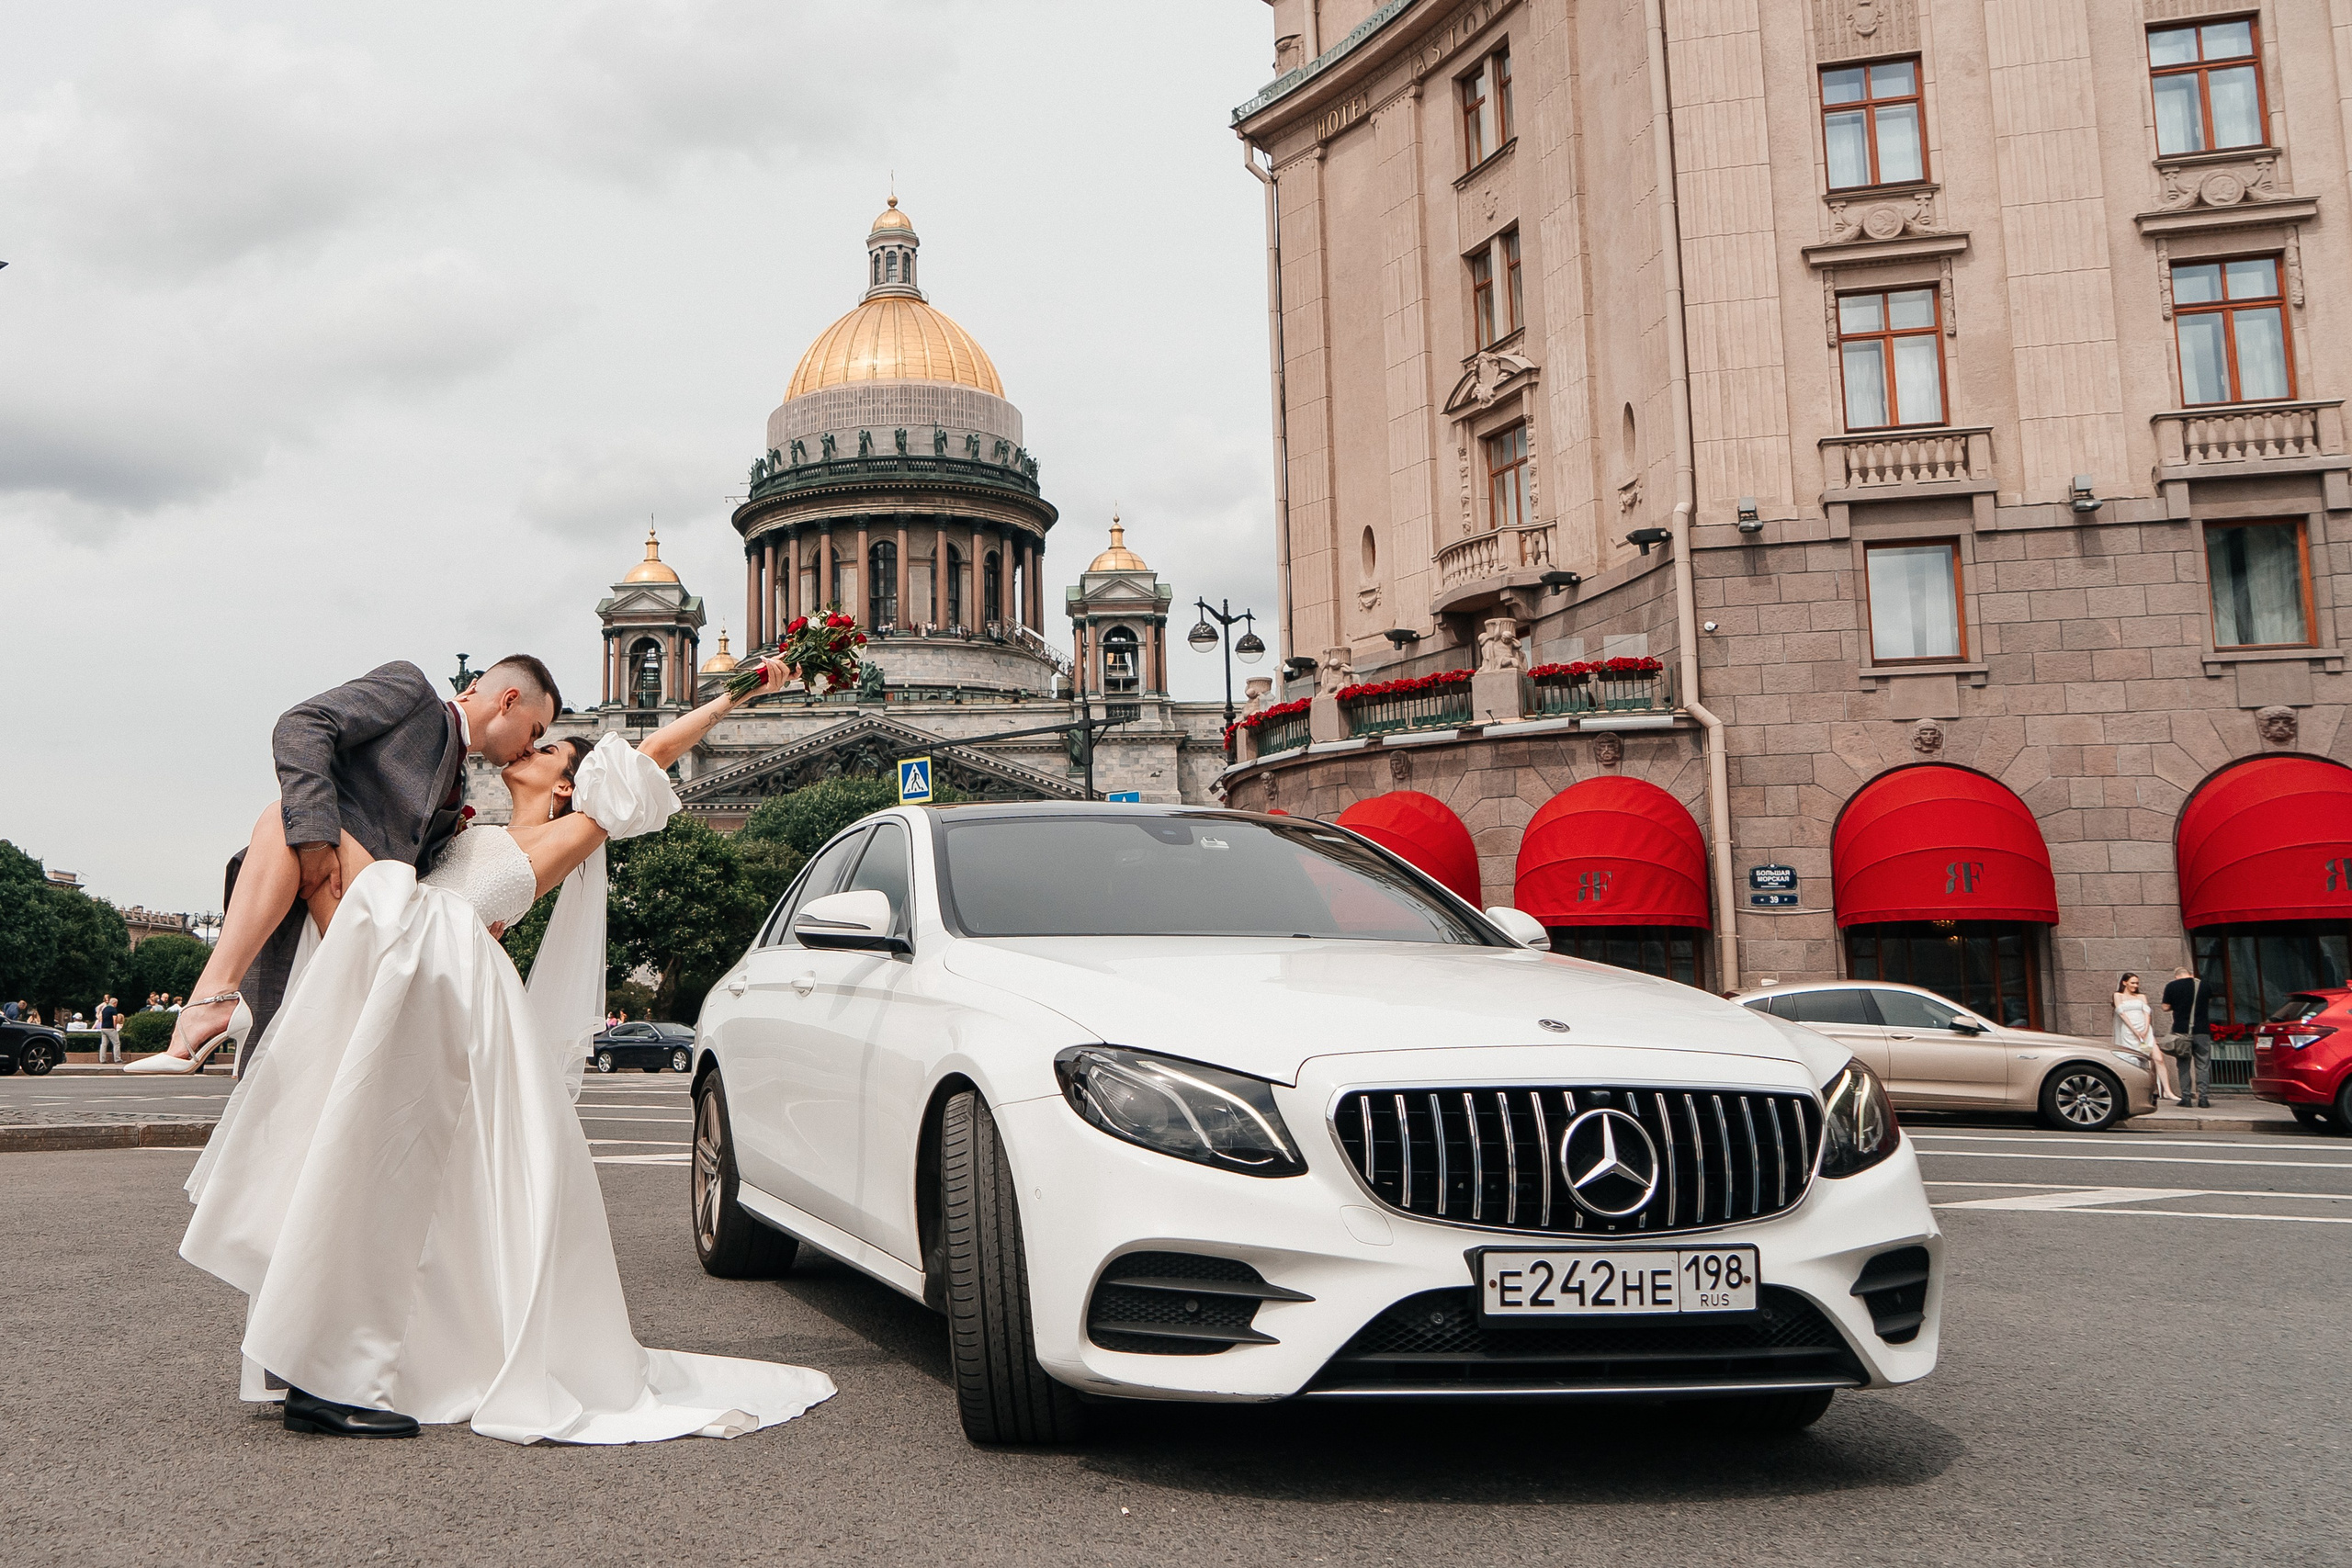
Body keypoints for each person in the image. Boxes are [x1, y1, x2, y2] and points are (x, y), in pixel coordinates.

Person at [177, 653, 833, 1446]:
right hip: (408, 964)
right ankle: (316, 1362)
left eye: (552, 748)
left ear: (571, 786)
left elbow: (650, 754)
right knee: (344, 1175)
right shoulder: (465, 826)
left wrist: (745, 690)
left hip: (434, 977)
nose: (535, 747)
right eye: (539, 732)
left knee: (370, 1181)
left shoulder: (575, 827)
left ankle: (328, 1366)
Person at [131, 657, 562, 1077]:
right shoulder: (412, 691)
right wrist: (316, 839)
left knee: (281, 816)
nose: (529, 746)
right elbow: (302, 724)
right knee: (285, 816)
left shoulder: (460, 780)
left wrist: (466, 928)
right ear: (508, 700)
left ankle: (212, 1002)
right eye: (535, 730)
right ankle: (214, 1002)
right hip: (322, 899)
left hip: (371, 910)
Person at [2160, 965, 2213, 1109]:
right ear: (2190, 974)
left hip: (2181, 1031)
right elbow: (2207, 1003)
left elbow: (2165, 1007)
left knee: (2183, 1065)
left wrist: (2177, 1006)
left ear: (2176, 976)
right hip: (2202, 1031)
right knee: (2203, 1065)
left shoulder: (2172, 986)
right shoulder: (2204, 985)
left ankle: (2186, 1098)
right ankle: (2203, 1098)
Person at [2112, 973, 2160, 1100]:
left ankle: (2154, 1088)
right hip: (2129, 1032)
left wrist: (2145, 1029)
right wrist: (2133, 1030)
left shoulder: (2141, 996)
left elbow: (2146, 1012)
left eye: (2137, 983)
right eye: (2132, 983)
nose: (2135, 985)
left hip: (2143, 1033)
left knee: (2149, 1058)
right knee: (2132, 1059)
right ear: (2125, 983)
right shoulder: (2118, 995)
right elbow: (2121, 1013)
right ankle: (2135, 1090)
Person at [95, 996, 123, 1064]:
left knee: (103, 1044)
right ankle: (117, 1059)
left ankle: (102, 1059)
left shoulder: (105, 1009)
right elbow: (115, 1018)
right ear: (114, 1003)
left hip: (103, 1028)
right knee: (116, 1043)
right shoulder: (113, 1009)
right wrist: (115, 1027)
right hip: (110, 1028)